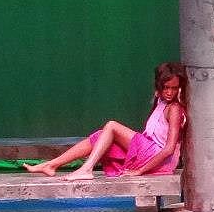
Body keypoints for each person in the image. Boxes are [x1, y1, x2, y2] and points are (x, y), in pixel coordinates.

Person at [22, 62, 187, 181]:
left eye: (174, 88)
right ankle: (52, 164)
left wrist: (140, 171)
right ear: (159, 86)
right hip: (149, 151)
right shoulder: (161, 101)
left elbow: (169, 149)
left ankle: (86, 169)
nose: (169, 92)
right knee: (100, 136)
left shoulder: (174, 109)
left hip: (158, 158)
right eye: (166, 87)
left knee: (112, 126)